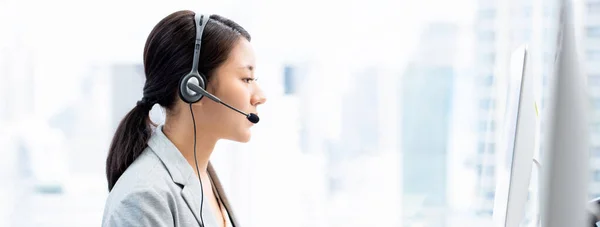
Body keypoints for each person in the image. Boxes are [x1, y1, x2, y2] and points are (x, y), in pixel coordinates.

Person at [101, 10, 266, 227]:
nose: (260, 96)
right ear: (194, 88)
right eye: (246, 79)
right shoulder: (143, 199)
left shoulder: (203, 175)